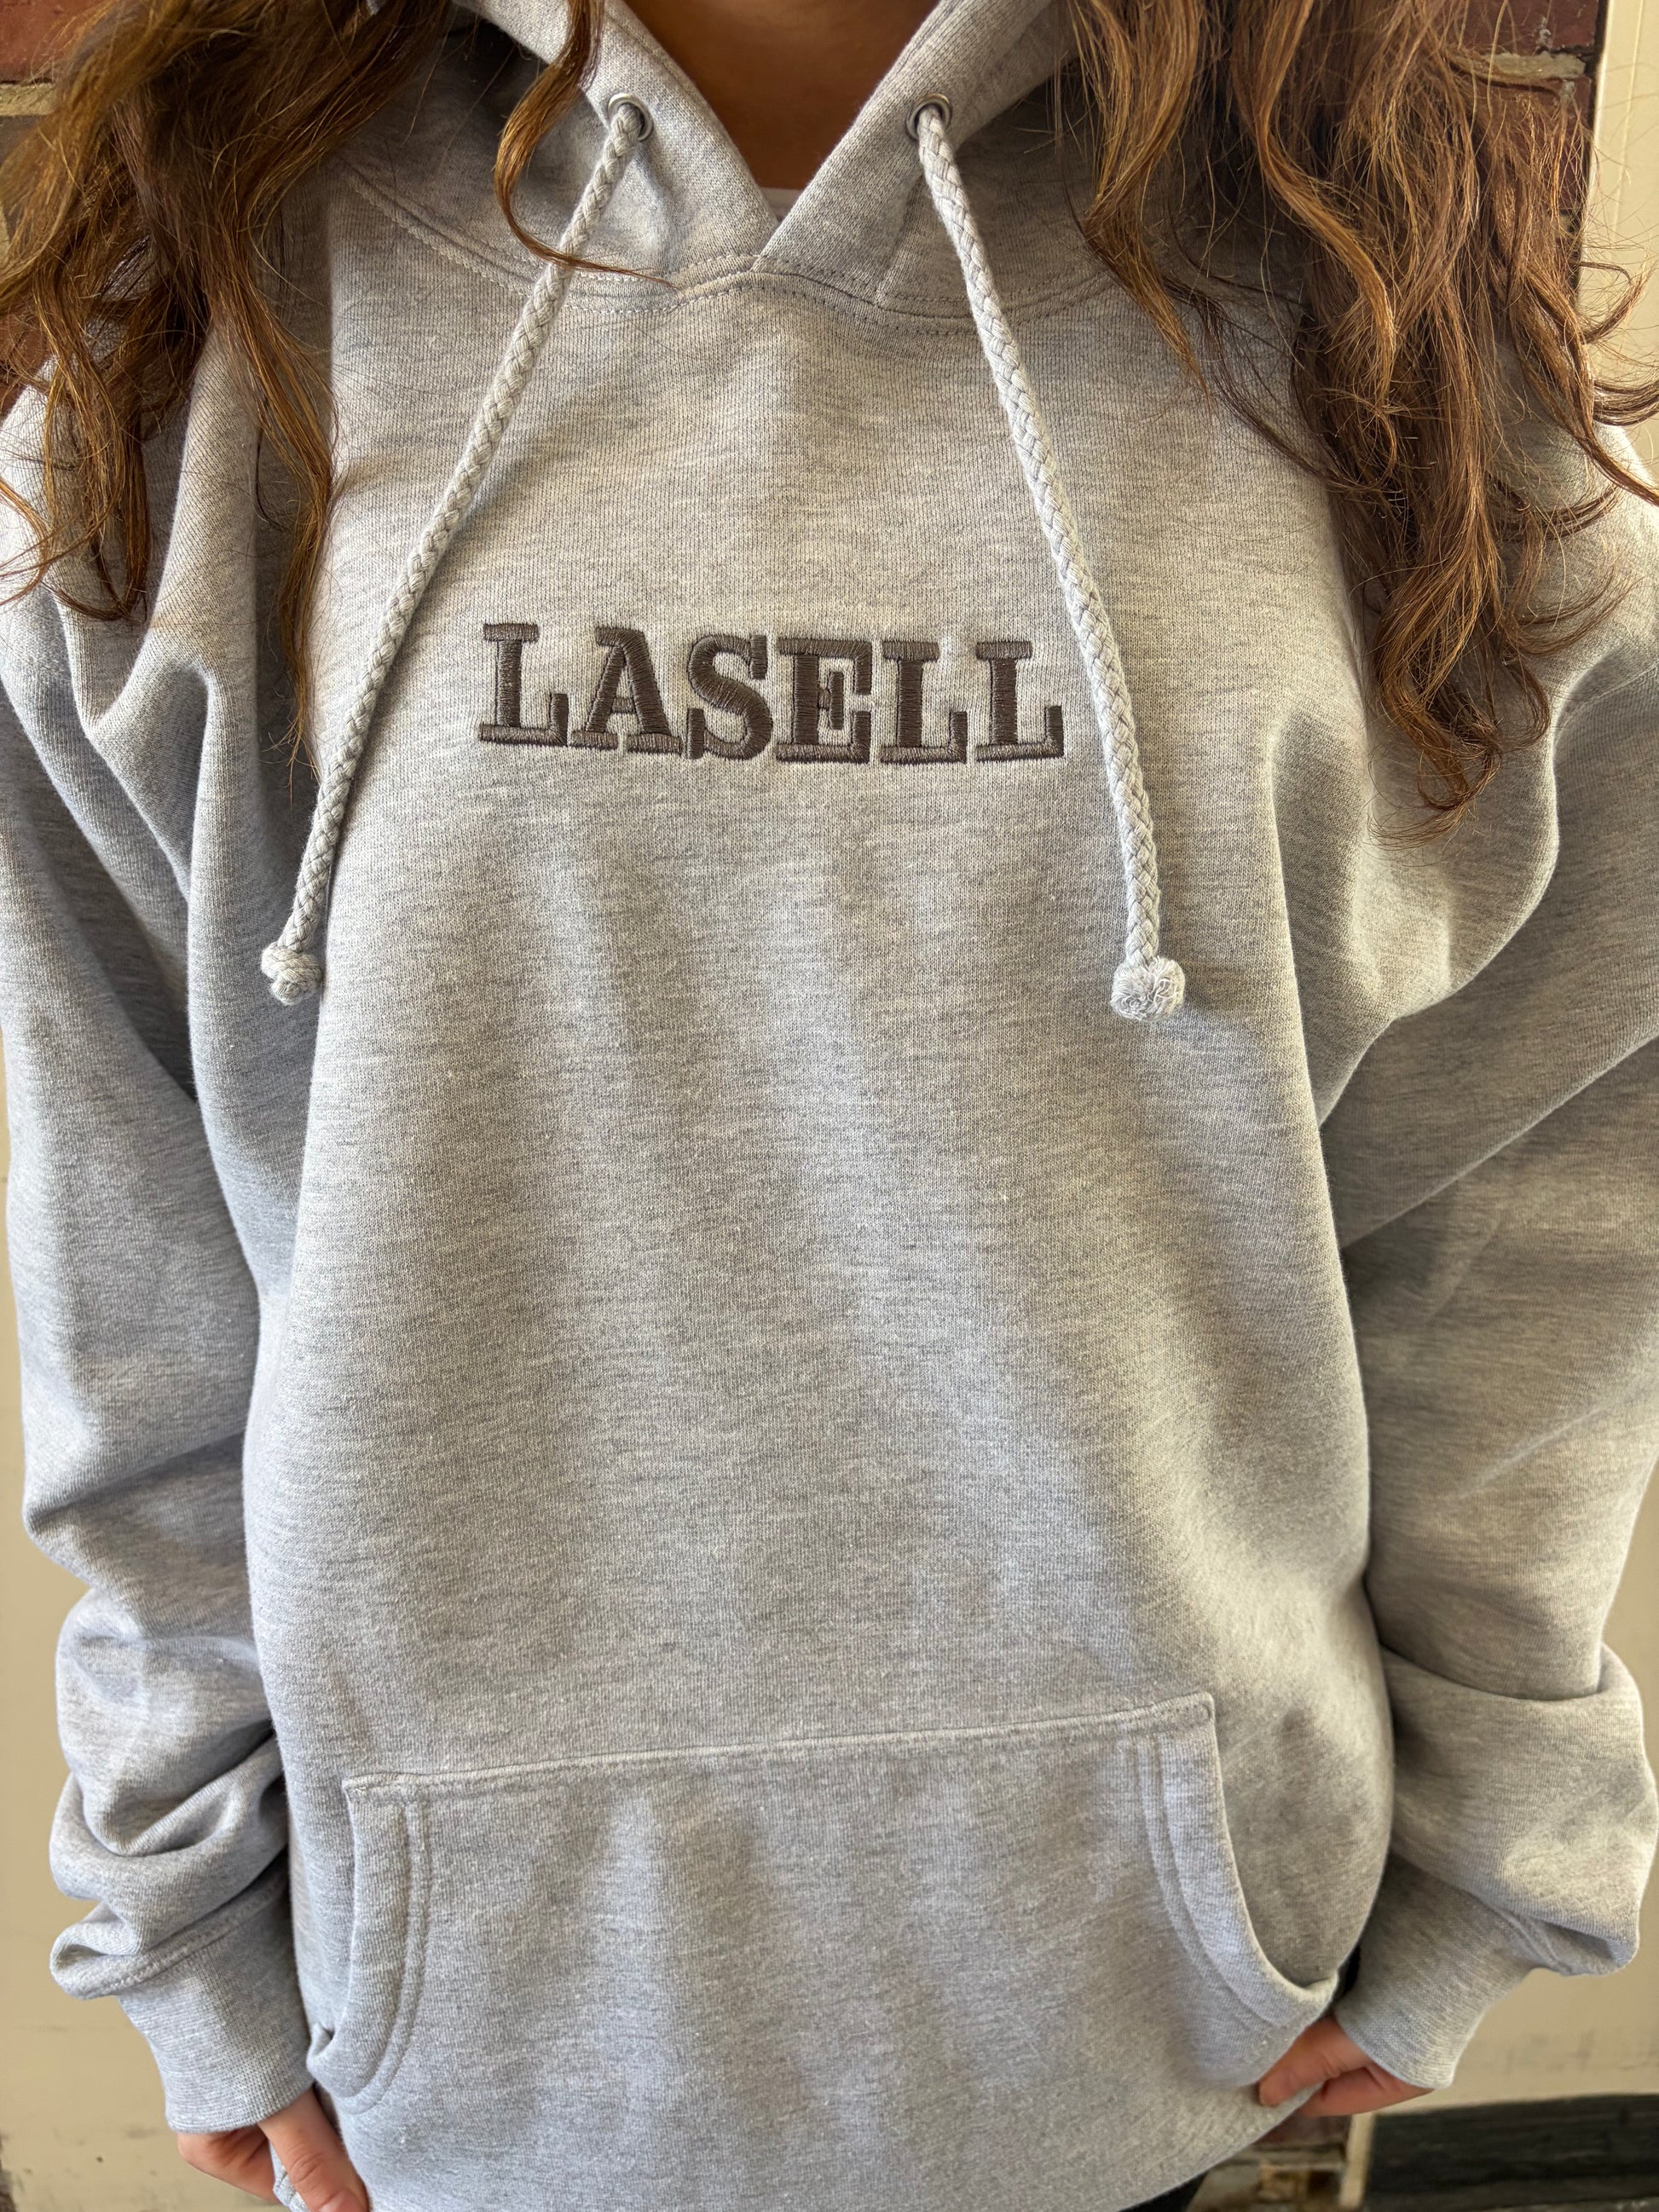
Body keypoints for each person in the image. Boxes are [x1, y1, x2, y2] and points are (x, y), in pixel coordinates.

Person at [2, 0, 1656, 2207]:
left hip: (1153, 2023)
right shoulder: (217, 302)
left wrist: (1496, 1836)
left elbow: (1528, 1195)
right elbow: (137, 1265)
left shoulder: (1370, 289)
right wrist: (179, 1886)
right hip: (469, 2039)